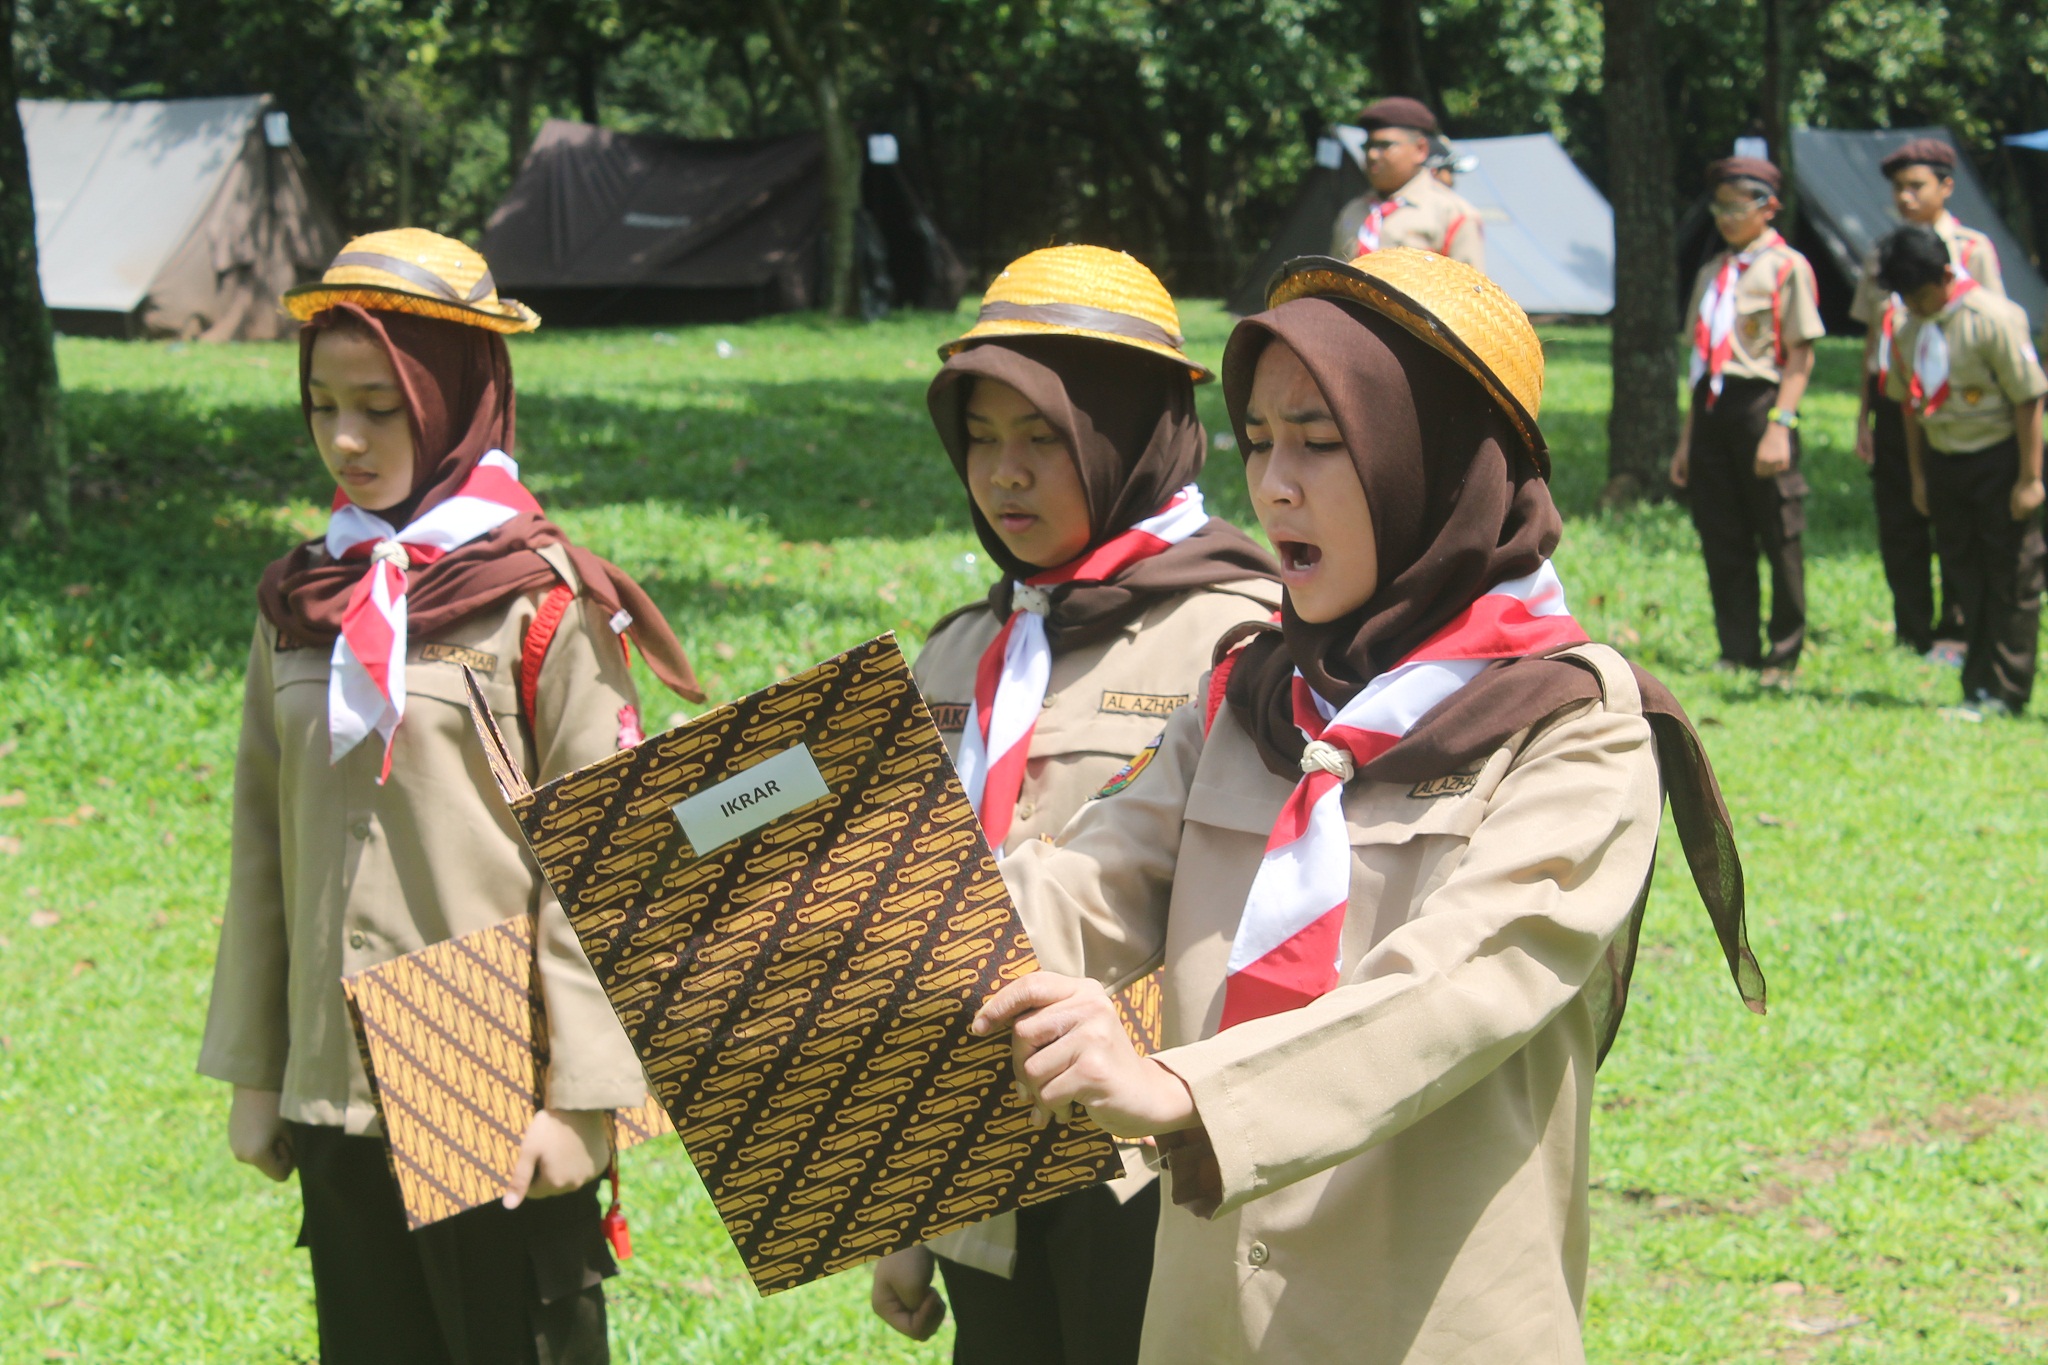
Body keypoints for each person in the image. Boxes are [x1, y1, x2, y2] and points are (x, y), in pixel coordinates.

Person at [964, 249, 1763, 1365]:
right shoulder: (1242, 698)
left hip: (1428, 1320)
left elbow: (1461, 983)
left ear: (1432, 459)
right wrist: (809, 927)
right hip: (1207, 1322)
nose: (1274, 484)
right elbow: (1082, 887)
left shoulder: (1573, 725)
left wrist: (1175, 1087)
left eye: (1320, 440)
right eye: (1257, 440)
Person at [198, 229, 704, 1365]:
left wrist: (585, 1102)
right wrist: (258, 1069)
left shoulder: (536, 601)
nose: (345, 438)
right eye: (323, 404)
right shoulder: (302, 599)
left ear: (453, 395)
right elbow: (258, 845)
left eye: (381, 407)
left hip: (484, 1047)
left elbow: (609, 865)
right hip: (333, 1062)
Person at [868, 245, 1281, 1365]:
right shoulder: (964, 649)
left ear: (1124, 431)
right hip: (978, 1162)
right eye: (981, 438)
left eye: (1042, 436)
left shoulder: (1240, 635)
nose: (1003, 474)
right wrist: (904, 1208)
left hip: (1144, 1171)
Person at [1880, 224, 2048, 718]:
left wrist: (2030, 478)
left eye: (1922, 294)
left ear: (1947, 275)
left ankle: (2007, 689)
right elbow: (1909, 406)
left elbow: (2029, 399)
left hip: (1999, 458)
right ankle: (1976, 685)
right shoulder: (1907, 327)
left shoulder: (1994, 318)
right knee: (1963, 572)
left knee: (2011, 574)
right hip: (1944, 461)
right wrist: (1918, 476)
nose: (1917, 304)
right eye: (1907, 297)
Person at [1669, 157, 1824, 688]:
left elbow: (1800, 354)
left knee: (1778, 530)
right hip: (1713, 407)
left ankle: (1783, 654)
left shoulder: (1787, 267)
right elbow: (1698, 360)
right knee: (1721, 531)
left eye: (1738, 207)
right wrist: (1688, 441)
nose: (1726, 218)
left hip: (1762, 404)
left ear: (1768, 207)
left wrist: (1781, 424)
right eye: (1720, 207)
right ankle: (1736, 647)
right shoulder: (1714, 272)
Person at [1850, 138, 2006, 659]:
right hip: (1898, 397)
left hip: (1956, 402)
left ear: (1946, 186)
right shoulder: (1884, 251)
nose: (1905, 197)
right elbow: (1875, 336)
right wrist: (1864, 415)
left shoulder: (1972, 249)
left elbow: (1992, 324)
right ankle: (1911, 627)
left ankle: (1958, 627)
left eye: (1916, 186)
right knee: (1899, 516)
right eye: (1897, 188)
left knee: (1957, 517)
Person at [1327, 98, 1486, 272]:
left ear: (1420, 149)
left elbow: (1468, 293)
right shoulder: (1353, 212)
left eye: (1384, 145)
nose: (1372, 155)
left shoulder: (1453, 214)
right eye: (1368, 146)